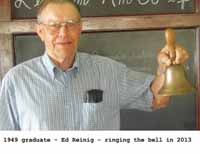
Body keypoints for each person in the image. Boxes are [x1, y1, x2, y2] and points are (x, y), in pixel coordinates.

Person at [0, 0, 189, 130]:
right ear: (40, 32)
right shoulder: (17, 80)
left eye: (71, 24)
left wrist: (166, 68)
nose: (63, 33)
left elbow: (157, 99)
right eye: (54, 25)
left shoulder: (108, 71)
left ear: (80, 29)